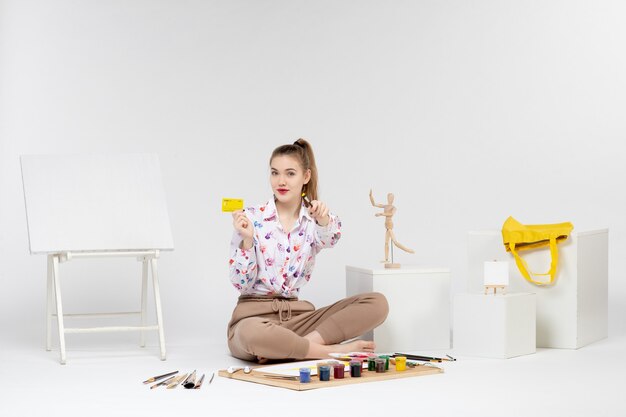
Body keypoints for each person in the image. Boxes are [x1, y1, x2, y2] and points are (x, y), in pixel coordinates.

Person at [227, 138, 389, 362]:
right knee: (251, 334)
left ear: (306, 177)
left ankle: (290, 348)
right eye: (275, 173)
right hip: (253, 318)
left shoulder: (314, 220)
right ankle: (327, 351)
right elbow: (240, 284)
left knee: (377, 303)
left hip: (300, 319)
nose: (281, 181)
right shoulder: (251, 217)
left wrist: (323, 220)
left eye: (290, 173)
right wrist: (246, 242)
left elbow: (332, 238)